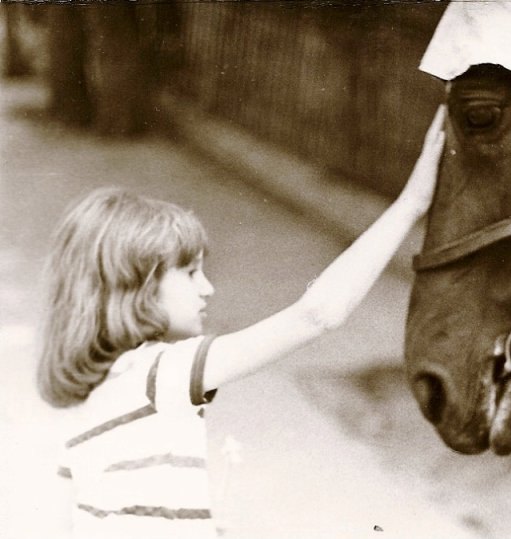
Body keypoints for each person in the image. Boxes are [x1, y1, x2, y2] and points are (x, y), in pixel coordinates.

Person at [37, 106, 446, 539]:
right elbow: (319, 313)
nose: (208, 288)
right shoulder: (161, 374)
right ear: (135, 285)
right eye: (191, 273)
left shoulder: (83, 408)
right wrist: (410, 205)